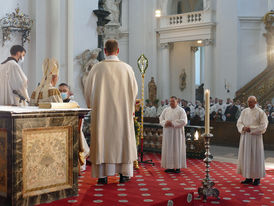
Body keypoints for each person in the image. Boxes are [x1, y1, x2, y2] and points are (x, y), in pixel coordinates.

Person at [84, 39, 138, 184]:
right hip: (123, 114)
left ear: (105, 51)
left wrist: (92, 107)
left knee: (103, 140)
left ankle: (103, 175)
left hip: (102, 115)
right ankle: (124, 174)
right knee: (122, 141)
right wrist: (130, 108)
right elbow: (134, 92)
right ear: (118, 51)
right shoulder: (127, 68)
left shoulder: (96, 68)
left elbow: (88, 91)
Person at [237, 96, 268, 186]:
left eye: (251, 102)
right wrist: (243, 127)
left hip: (255, 138)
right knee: (247, 156)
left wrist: (251, 129)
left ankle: (257, 178)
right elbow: (239, 122)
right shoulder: (244, 111)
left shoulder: (260, 112)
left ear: (255, 102)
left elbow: (264, 125)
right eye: (248, 102)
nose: (249, 103)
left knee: (256, 157)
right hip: (246, 137)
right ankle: (248, 177)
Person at [58, 83, 90, 171]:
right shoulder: (55, 104)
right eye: (60, 91)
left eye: (64, 91)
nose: (62, 93)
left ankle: (77, 167)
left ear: (70, 93)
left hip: (73, 131)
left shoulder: (74, 104)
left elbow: (80, 118)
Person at [160, 96, 188, 173]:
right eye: (170, 101)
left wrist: (172, 123)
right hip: (168, 133)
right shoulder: (166, 110)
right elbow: (161, 119)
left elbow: (184, 121)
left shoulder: (181, 110)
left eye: (173, 101)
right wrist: (165, 123)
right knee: (168, 149)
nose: (171, 103)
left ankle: (178, 166)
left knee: (177, 148)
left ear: (177, 102)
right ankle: (170, 167)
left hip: (177, 134)